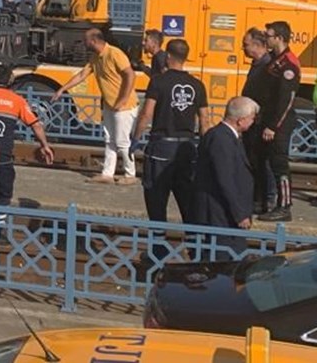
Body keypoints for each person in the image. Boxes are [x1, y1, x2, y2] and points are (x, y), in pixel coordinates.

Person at [132, 39, 209, 224]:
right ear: (185, 58)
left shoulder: (159, 82)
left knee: (156, 199)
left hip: (161, 146)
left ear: (168, 56)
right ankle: (193, 247)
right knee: (188, 201)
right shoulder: (197, 85)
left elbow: (146, 114)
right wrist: (205, 148)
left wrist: (135, 138)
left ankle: (158, 248)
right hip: (187, 148)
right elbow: (204, 120)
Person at [0, 65, 55, 221]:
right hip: (3, 154)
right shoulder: (17, 101)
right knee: (3, 193)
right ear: (9, 80)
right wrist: (45, 146)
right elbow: (35, 124)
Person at [53, 28, 139, 185]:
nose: (84, 43)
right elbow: (81, 75)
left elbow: (130, 75)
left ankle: (130, 174)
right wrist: (62, 89)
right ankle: (107, 174)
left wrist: (123, 99)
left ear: (93, 41)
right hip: (109, 104)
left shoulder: (114, 53)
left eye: (85, 40)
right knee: (110, 140)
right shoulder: (95, 58)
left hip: (124, 106)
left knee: (122, 141)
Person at [192, 97, 258, 255]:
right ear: (241, 120)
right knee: (224, 259)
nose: (253, 121)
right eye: (252, 118)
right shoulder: (221, 139)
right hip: (220, 215)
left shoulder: (226, 136)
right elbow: (225, 179)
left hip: (224, 213)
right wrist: (240, 214)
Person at [254, 20, 301, 222]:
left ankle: (285, 206)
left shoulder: (289, 63)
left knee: (279, 164)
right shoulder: (276, 59)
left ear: (279, 38)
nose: (266, 39)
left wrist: (273, 126)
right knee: (264, 161)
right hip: (267, 118)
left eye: (269, 36)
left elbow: (286, 99)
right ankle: (265, 201)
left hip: (279, 123)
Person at [239, 28, 275, 215]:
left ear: (257, 45)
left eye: (245, 44)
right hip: (251, 121)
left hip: (258, 122)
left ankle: (265, 199)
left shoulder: (267, 66)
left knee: (261, 161)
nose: (242, 48)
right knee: (253, 160)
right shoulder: (257, 64)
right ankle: (257, 197)